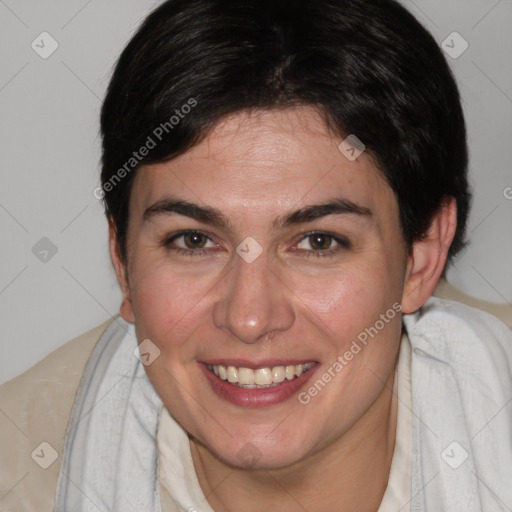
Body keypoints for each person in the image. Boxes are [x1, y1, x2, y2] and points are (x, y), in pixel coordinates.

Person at [1, 0, 511, 510]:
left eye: (318, 242)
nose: (248, 318)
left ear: (421, 258)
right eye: (193, 240)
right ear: (123, 261)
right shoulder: (18, 474)